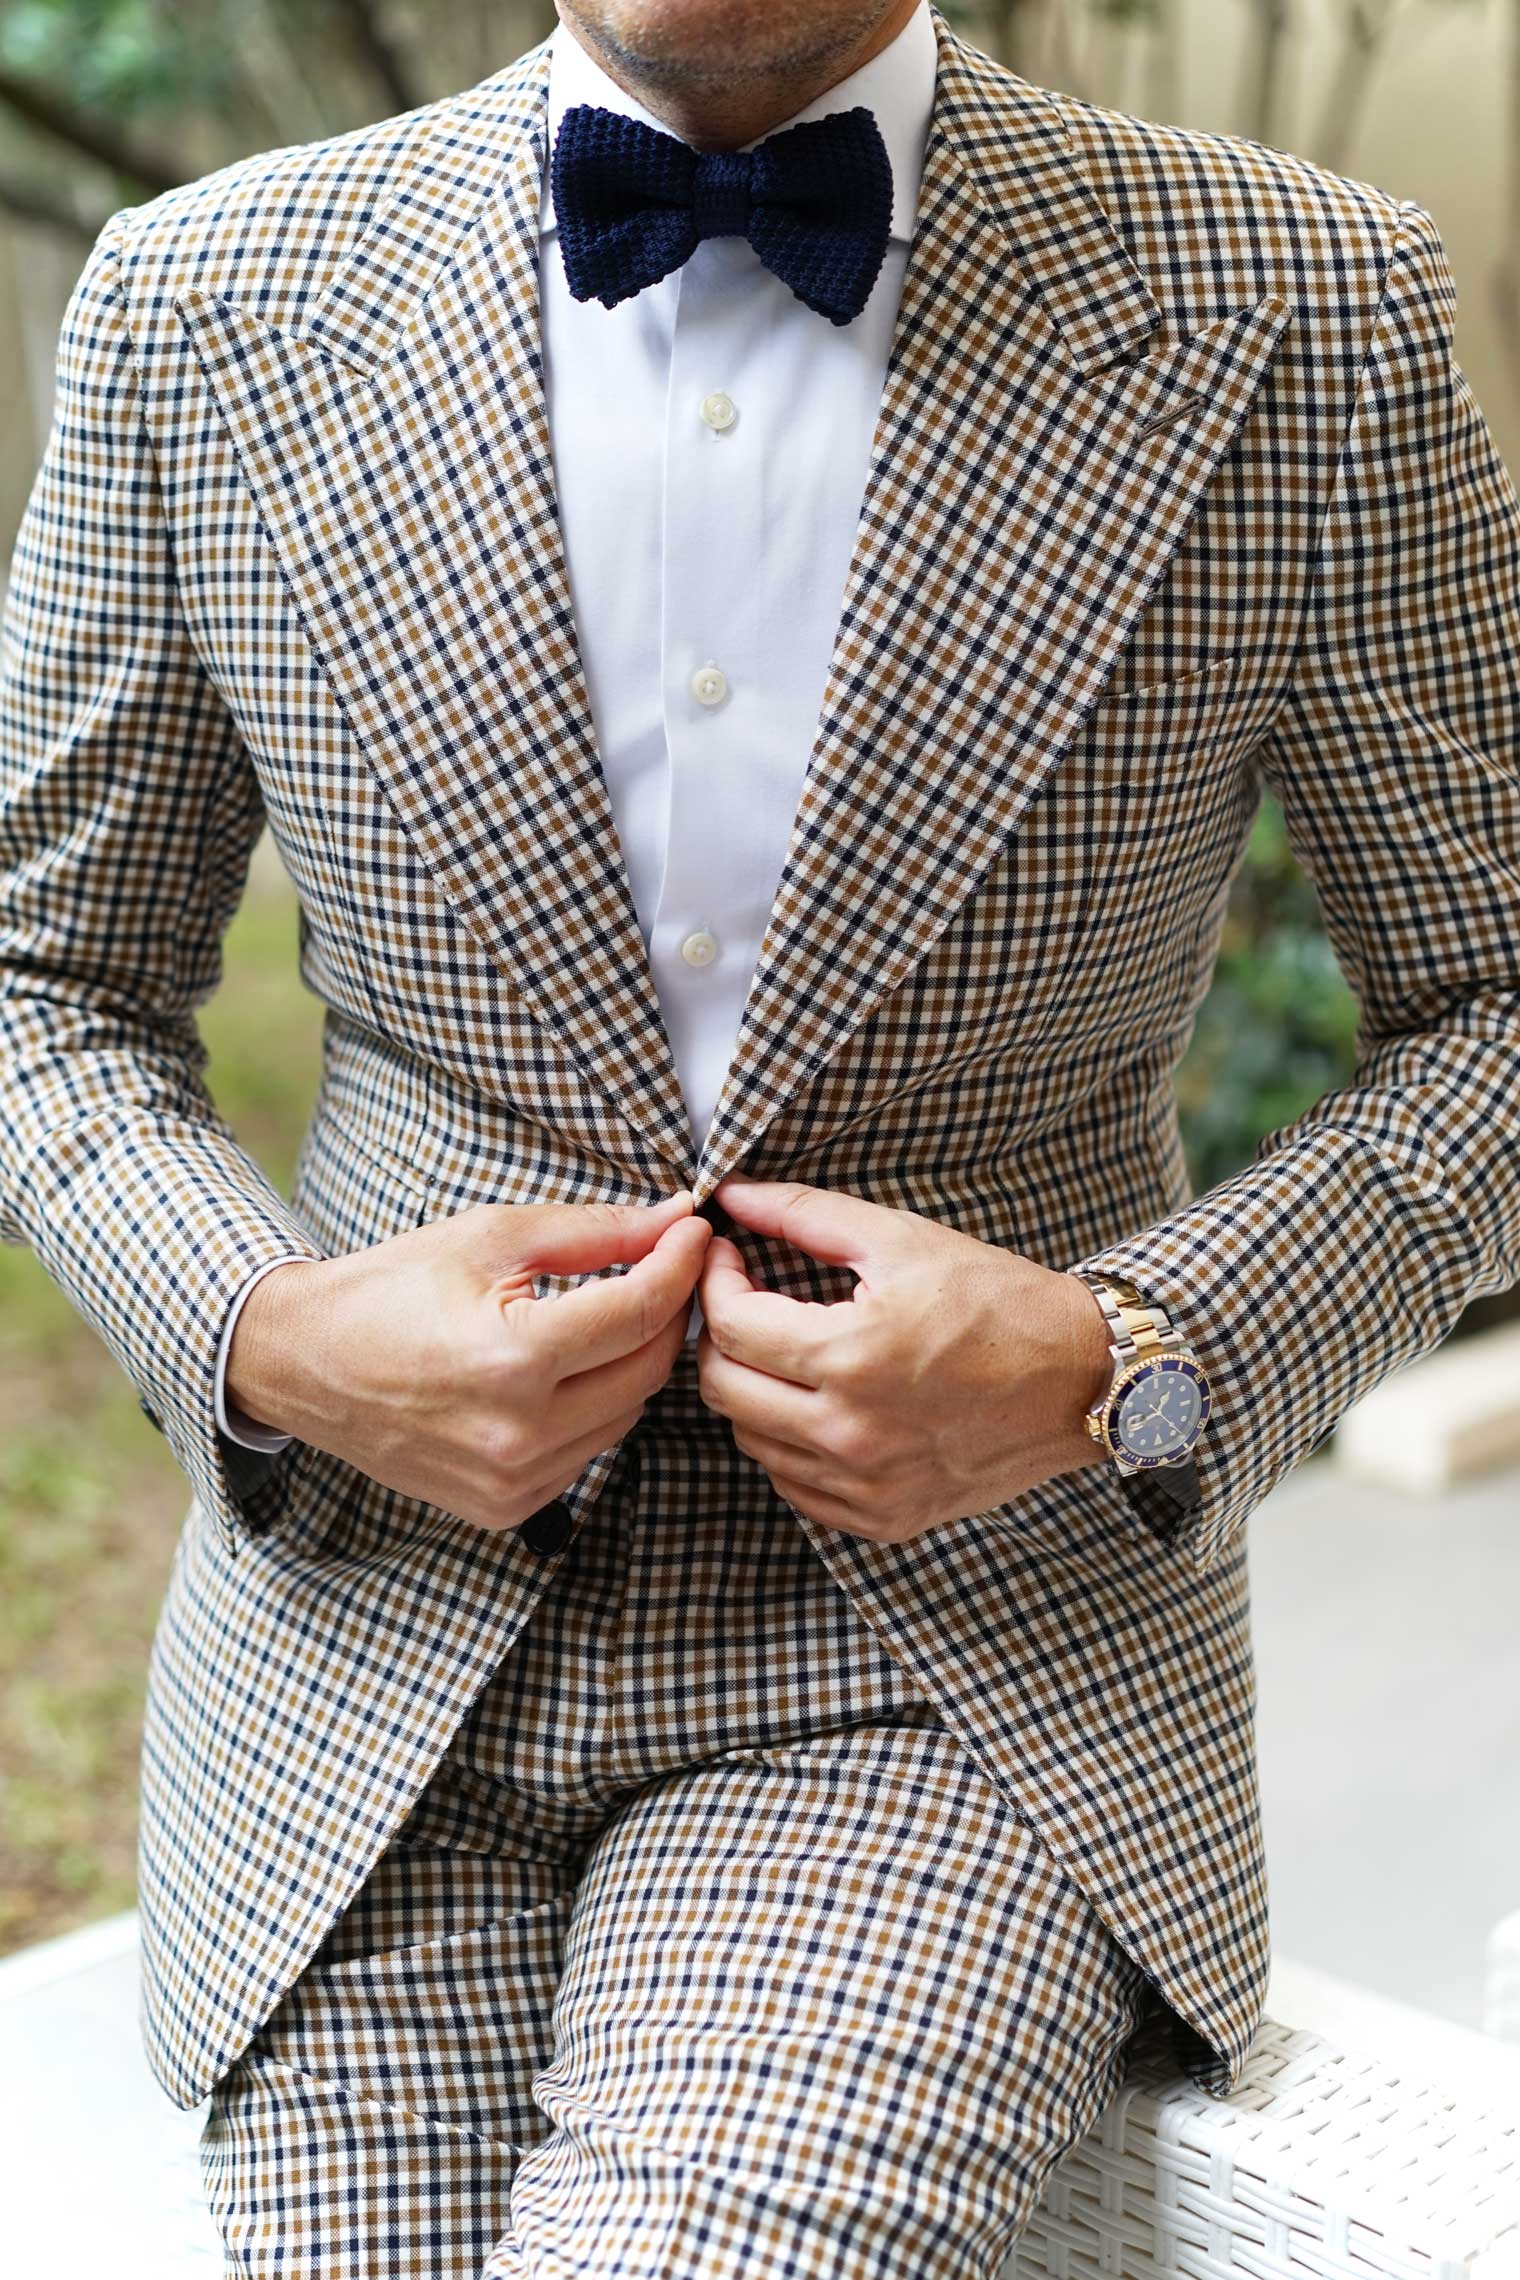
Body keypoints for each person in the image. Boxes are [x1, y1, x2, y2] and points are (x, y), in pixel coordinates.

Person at [2, 0, 1517, 2269]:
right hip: (358, 1672)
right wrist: (268, 1333)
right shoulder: (203, 298)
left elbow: (1497, 1002)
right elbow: (44, 980)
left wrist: (1130, 1352)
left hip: (958, 1664)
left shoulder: (1307, 303)